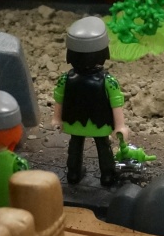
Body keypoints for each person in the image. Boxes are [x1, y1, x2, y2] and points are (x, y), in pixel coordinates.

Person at [51, 16, 127, 187]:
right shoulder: (109, 81)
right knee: (103, 147)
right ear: (103, 53)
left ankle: (73, 173)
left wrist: (57, 118)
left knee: (75, 146)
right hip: (100, 124)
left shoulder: (65, 79)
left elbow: (59, 98)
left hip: (74, 122)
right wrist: (120, 125)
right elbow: (116, 103)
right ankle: (107, 175)